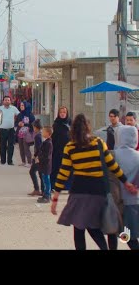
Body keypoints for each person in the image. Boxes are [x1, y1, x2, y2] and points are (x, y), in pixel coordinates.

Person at [51, 114, 136, 250]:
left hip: (78, 192)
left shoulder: (70, 147)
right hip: (98, 191)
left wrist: (55, 197)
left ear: (73, 129)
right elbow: (112, 165)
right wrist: (126, 182)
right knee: (93, 225)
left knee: (79, 229)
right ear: (87, 127)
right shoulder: (98, 143)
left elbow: (63, 172)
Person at [114, 125, 139, 250]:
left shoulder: (113, 155)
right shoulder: (138, 156)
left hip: (118, 201)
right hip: (135, 200)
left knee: (124, 235)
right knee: (132, 233)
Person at [51, 106, 71, 190]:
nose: (62, 114)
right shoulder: (56, 124)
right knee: (57, 167)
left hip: (69, 150)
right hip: (58, 150)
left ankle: (67, 186)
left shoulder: (70, 123)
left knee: (68, 168)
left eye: (64, 112)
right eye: (61, 112)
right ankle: (55, 185)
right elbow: (53, 137)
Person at [0, 96, 20, 165]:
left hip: (11, 130)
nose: (7, 101)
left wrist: (17, 124)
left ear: (10, 101)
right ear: (3, 101)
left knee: (11, 146)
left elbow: (19, 116)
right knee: (2, 145)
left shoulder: (14, 108)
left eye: (8, 100)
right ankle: (3, 160)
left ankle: (10, 161)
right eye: (6, 100)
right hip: (2, 130)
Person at [15, 101, 35, 167]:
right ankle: (23, 161)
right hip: (20, 133)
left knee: (26, 148)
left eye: (23, 105)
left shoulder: (30, 115)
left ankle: (29, 162)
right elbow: (16, 123)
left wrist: (25, 124)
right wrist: (18, 124)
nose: (21, 107)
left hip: (27, 134)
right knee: (21, 148)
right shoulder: (20, 115)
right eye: (20, 105)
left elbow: (33, 124)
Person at [37, 126, 53, 203]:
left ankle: (47, 196)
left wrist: (40, 159)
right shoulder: (46, 142)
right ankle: (46, 194)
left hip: (46, 165)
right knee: (44, 180)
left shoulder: (48, 143)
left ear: (48, 133)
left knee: (47, 181)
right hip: (44, 165)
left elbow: (47, 156)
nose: (42, 133)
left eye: (43, 131)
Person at [28, 119, 44, 196]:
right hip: (42, 157)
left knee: (32, 171)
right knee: (41, 174)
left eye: (34, 127)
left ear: (36, 127)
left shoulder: (38, 136)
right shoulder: (41, 134)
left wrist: (35, 157)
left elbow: (38, 148)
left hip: (38, 157)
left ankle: (37, 189)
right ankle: (43, 190)